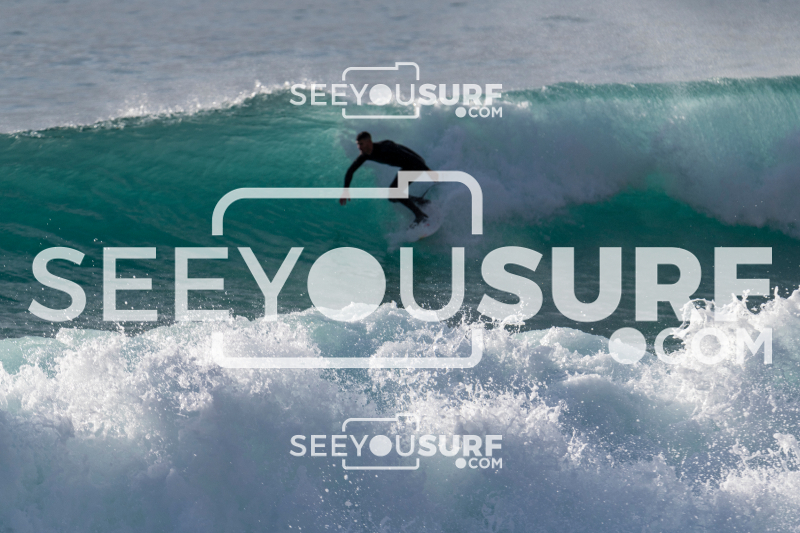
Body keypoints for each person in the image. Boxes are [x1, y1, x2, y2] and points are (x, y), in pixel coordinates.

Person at [339, 131, 430, 225]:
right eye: (358, 144)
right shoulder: (365, 155)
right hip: (407, 167)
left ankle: (420, 215)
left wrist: (427, 170)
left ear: (369, 142)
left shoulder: (385, 147)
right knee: (392, 197)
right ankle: (419, 201)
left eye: (361, 144)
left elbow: (410, 156)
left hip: (416, 164)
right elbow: (350, 170)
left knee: (395, 191)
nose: (359, 147)